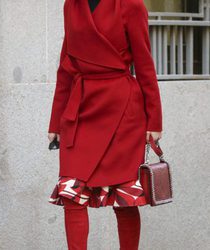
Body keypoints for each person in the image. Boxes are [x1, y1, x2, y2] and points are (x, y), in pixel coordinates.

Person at [47, 0, 163, 249]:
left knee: (125, 198)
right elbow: (65, 68)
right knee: (71, 194)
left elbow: (144, 65)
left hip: (122, 111)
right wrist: (56, 122)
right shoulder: (71, 5)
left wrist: (154, 120)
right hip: (80, 109)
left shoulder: (131, 5)